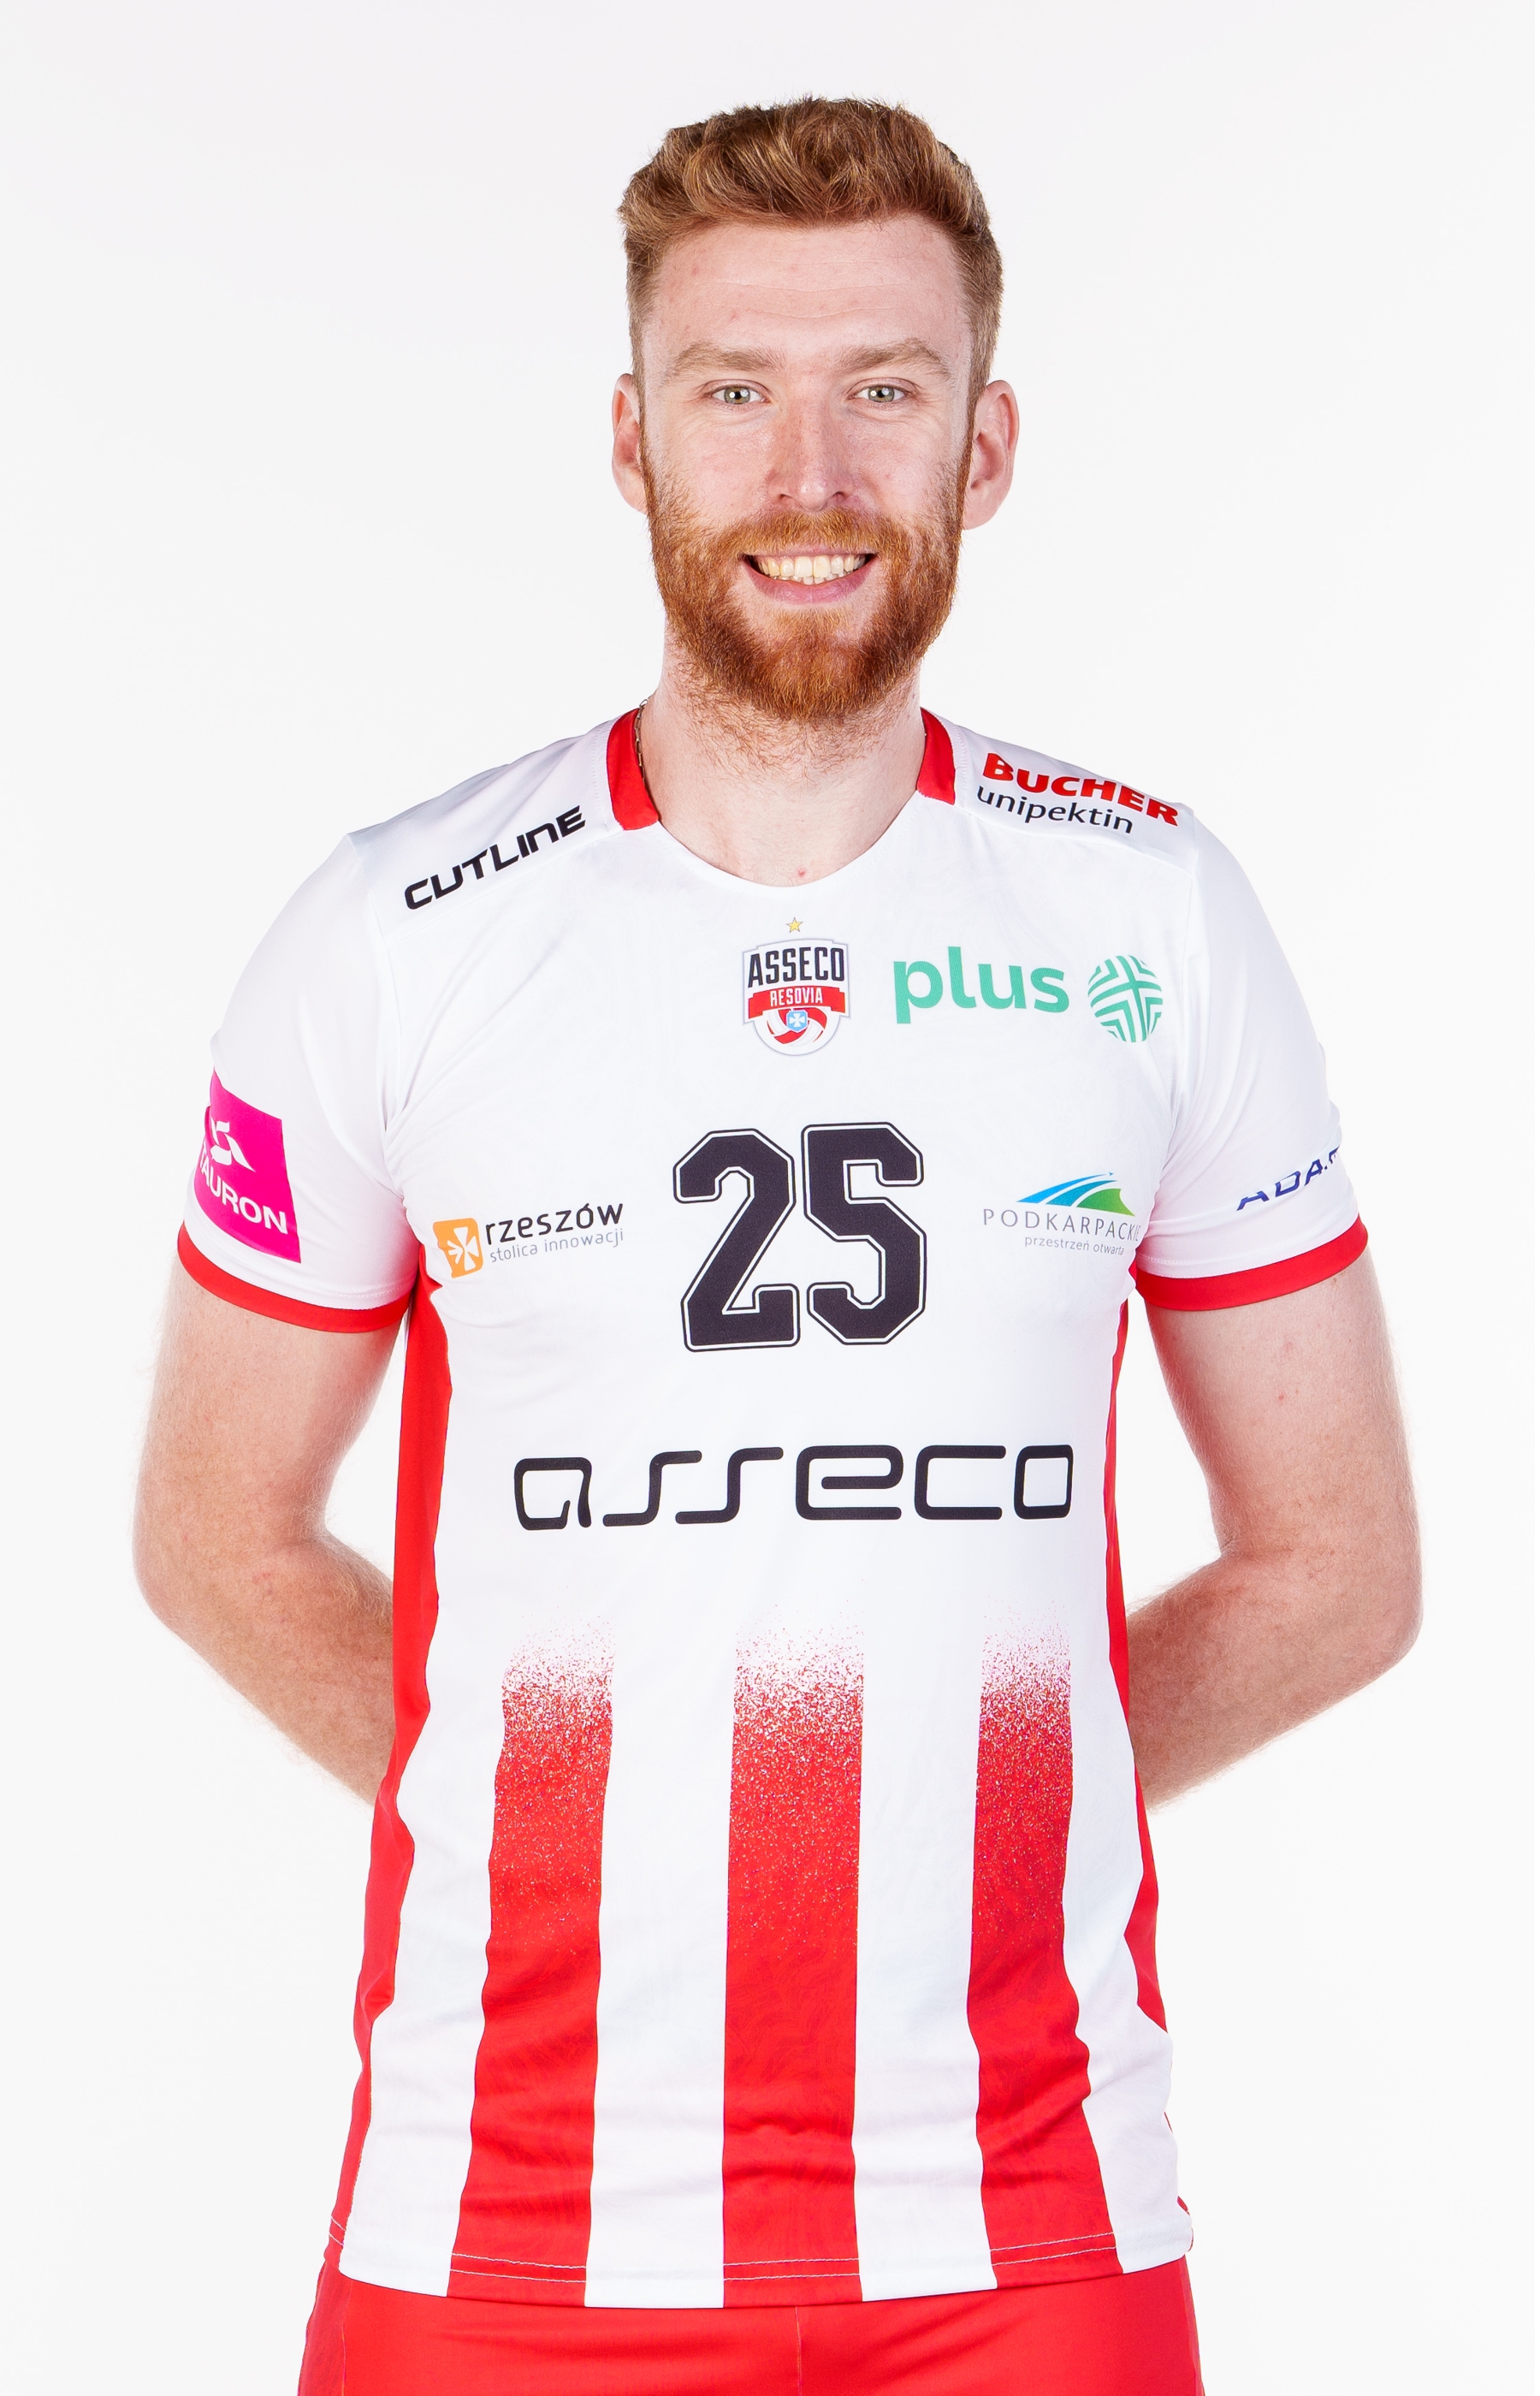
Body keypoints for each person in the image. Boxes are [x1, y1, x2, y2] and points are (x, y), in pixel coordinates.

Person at [134, 97, 1419, 2396]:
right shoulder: (395, 933)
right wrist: (555, 1818)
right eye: (734, 390)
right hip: (497, 2228)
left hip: (1033, 2231)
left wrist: (973, 1804)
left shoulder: (1154, 917)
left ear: (984, 446)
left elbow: (1339, 1569)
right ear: (632, 439)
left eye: (883, 390)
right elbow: (212, 1532)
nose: (809, 475)